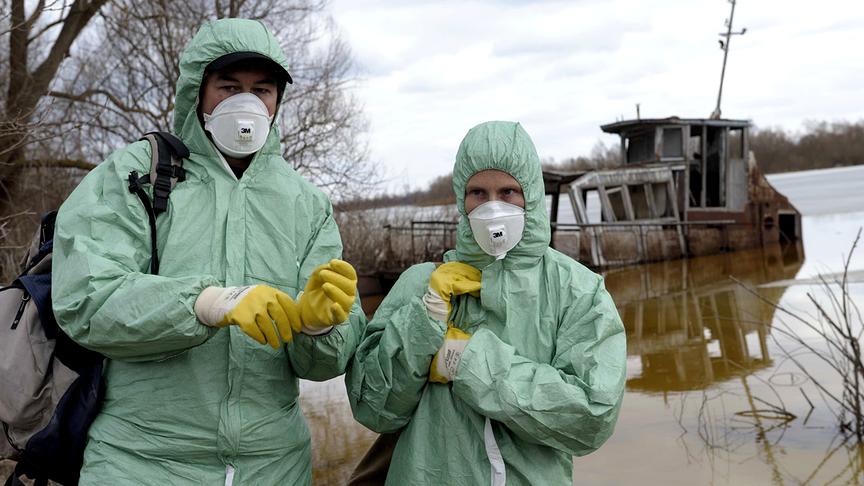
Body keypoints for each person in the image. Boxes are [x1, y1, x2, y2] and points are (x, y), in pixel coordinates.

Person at [51, 18, 364, 485]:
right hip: (140, 460)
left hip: (274, 466)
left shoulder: (306, 203)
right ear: (197, 91)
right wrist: (206, 303)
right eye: (229, 86)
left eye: (262, 90)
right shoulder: (139, 174)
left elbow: (324, 367)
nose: (246, 103)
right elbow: (84, 300)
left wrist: (318, 326)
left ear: (278, 101)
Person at [347, 121, 626, 485]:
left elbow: (592, 417)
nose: (493, 207)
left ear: (532, 195)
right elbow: (372, 408)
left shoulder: (578, 292)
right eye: (478, 192)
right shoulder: (421, 285)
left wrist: (463, 359)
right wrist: (422, 322)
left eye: (508, 191)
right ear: (461, 200)